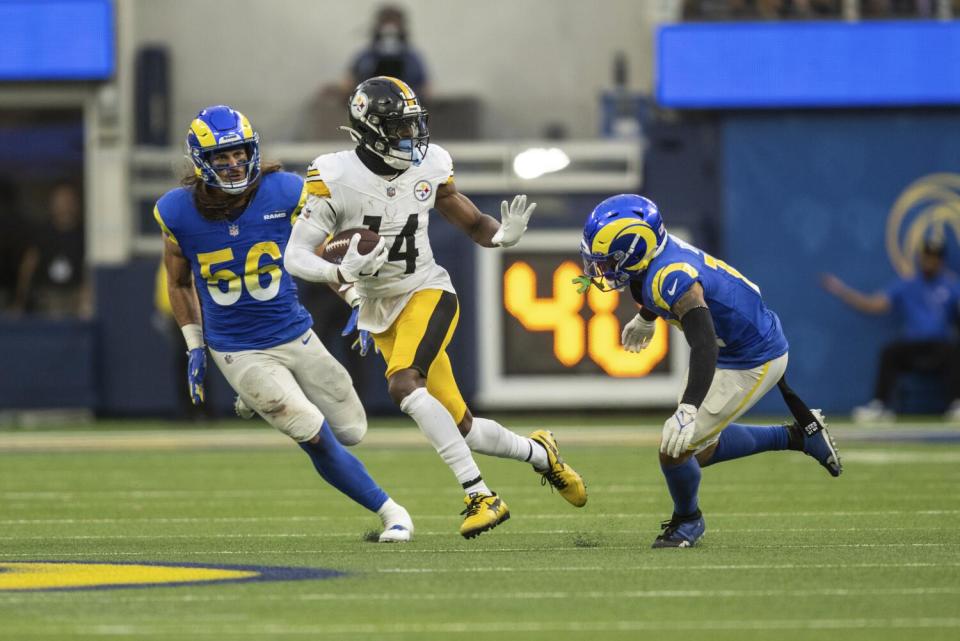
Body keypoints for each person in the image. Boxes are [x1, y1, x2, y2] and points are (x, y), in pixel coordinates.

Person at [282, 76, 586, 539]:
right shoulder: (334, 174)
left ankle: (480, 495)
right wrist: (340, 275)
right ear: (369, 129)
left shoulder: (431, 165)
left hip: (427, 289)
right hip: (379, 307)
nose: (411, 137)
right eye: (399, 128)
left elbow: (468, 217)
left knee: (404, 386)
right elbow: (297, 256)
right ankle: (541, 454)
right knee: (464, 428)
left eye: (413, 125)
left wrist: (499, 236)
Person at [154, 104, 413, 542]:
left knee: (352, 430)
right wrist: (194, 344)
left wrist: (355, 300)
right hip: (237, 346)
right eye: (222, 156)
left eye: (239, 153)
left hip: (295, 331)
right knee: (309, 428)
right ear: (201, 161)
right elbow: (178, 283)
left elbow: (322, 250)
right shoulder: (176, 211)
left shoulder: (285, 191)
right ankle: (392, 512)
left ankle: (256, 399)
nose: (234, 163)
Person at [577, 194, 841, 548]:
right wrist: (646, 316)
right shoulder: (654, 261)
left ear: (637, 247)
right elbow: (655, 291)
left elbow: (702, 343)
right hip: (731, 342)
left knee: (674, 450)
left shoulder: (672, 276)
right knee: (694, 449)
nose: (602, 270)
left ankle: (688, 521)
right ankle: (795, 437)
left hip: (751, 356)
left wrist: (688, 408)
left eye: (609, 261)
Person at [821, 239, 960, 422]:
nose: (929, 261)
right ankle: (880, 406)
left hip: (941, 347)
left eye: (934, 258)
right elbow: (874, 305)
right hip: (913, 346)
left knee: (954, 352)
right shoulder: (907, 284)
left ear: (941, 261)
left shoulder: (951, 284)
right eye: (926, 257)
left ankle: (956, 405)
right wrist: (842, 291)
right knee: (890, 352)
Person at [14, 182, 89, 317]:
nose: (65, 206)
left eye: (69, 201)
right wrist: (21, 300)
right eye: (60, 200)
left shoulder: (85, 235)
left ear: (77, 204)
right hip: (46, 298)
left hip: (74, 298)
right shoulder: (42, 233)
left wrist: (85, 298)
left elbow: (88, 268)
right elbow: (28, 266)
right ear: (52, 204)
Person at [342, 5, 430, 100]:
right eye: (386, 22)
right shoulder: (365, 56)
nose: (389, 28)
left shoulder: (411, 58)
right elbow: (348, 83)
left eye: (394, 22)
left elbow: (427, 88)